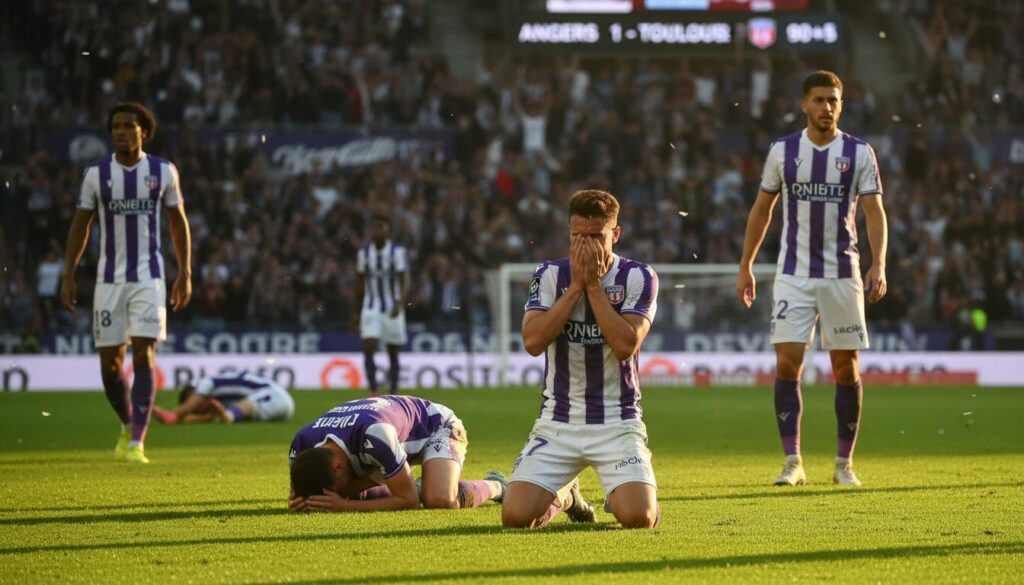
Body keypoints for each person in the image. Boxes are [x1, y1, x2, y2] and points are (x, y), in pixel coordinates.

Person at [735, 71, 888, 487]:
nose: (827, 108)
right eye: (819, 100)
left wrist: (880, 263)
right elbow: (762, 209)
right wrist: (746, 263)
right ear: (804, 104)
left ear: (842, 104)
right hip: (793, 275)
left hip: (843, 274)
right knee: (787, 362)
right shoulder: (783, 151)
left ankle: (844, 464)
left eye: (834, 100)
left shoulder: (858, 152)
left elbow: (874, 211)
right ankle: (793, 461)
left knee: (846, 367)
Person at [501, 189, 660, 530]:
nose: (585, 244)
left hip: (617, 423)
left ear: (615, 234)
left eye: (595, 236)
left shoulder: (638, 276)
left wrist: (593, 287)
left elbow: (624, 345)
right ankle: (567, 496)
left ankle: (622, 491)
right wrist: (576, 286)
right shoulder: (548, 275)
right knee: (514, 518)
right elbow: (532, 341)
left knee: (638, 518)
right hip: (558, 422)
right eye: (577, 236)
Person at [61, 102, 192, 464]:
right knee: (111, 367)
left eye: (127, 126)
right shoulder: (96, 175)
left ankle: (137, 442)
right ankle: (127, 423)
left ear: (143, 132)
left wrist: (185, 272)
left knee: (143, 352)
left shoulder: (163, 171)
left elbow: (177, 222)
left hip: (149, 277)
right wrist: (68, 273)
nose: (120, 132)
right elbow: (80, 225)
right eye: (115, 127)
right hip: (108, 281)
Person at [288, 395, 506, 513]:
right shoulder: (302, 443)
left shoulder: (375, 436)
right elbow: (300, 488)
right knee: (350, 491)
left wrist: (345, 505)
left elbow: (408, 501)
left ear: (338, 467)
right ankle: (410, 481)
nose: (339, 493)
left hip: (436, 426)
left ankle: (497, 486)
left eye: (337, 486)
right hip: (380, 440)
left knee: (439, 499)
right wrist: (301, 500)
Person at [354, 217, 410, 396]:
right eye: (375, 228)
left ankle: (393, 389)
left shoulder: (397, 252)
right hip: (371, 306)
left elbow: (404, 278)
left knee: (393, 350)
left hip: (392, 305)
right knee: (368, 345)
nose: (377, 231)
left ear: (387, 231)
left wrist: (400, 302)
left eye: (381, 228)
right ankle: (373, 389)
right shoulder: (364, 253)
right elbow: (360, 281)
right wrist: (355, 311)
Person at [152, 371, 295, 424]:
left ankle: (228, 417)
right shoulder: (217, 403)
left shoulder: (206, 382)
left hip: (273, 395)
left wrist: (174, 415)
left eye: (194, 404)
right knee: (222, 415)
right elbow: (206, 417)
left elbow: (199, 397)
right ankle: (227, 417)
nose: (198, 407)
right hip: (272, 409)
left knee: (240, 407)